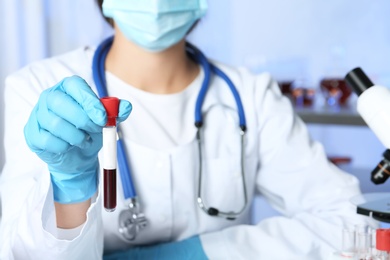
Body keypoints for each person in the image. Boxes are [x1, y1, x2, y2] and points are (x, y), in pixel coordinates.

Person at [0, 0, 377, 259]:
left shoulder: (250, 95)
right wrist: (70, 189)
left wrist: (202, 254)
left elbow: (351, 221)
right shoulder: (40, 90)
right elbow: (23, 254)